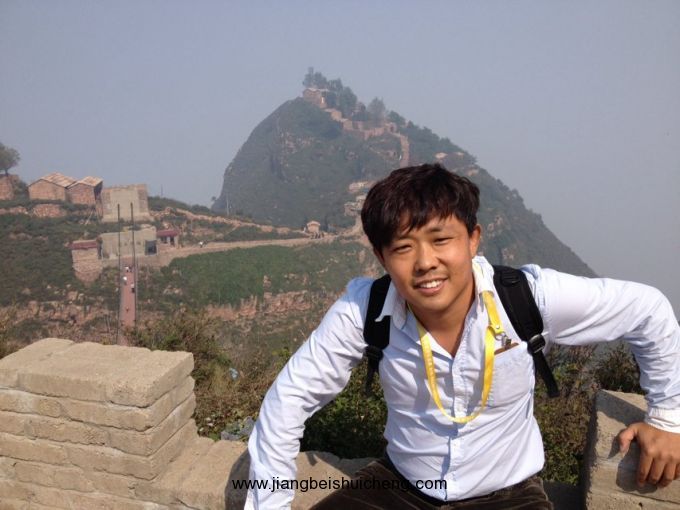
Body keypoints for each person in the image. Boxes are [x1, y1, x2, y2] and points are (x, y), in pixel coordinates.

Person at [245, 163, 680, 509]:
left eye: (441, 240)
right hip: (400, 486)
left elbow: (648, 310)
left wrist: (667, 419)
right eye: (403, 247)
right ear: (381, 256)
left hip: (508, 495)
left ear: (473, 240)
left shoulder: (526, 298)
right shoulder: (364, 310)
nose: (425, 262)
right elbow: (287, 402)